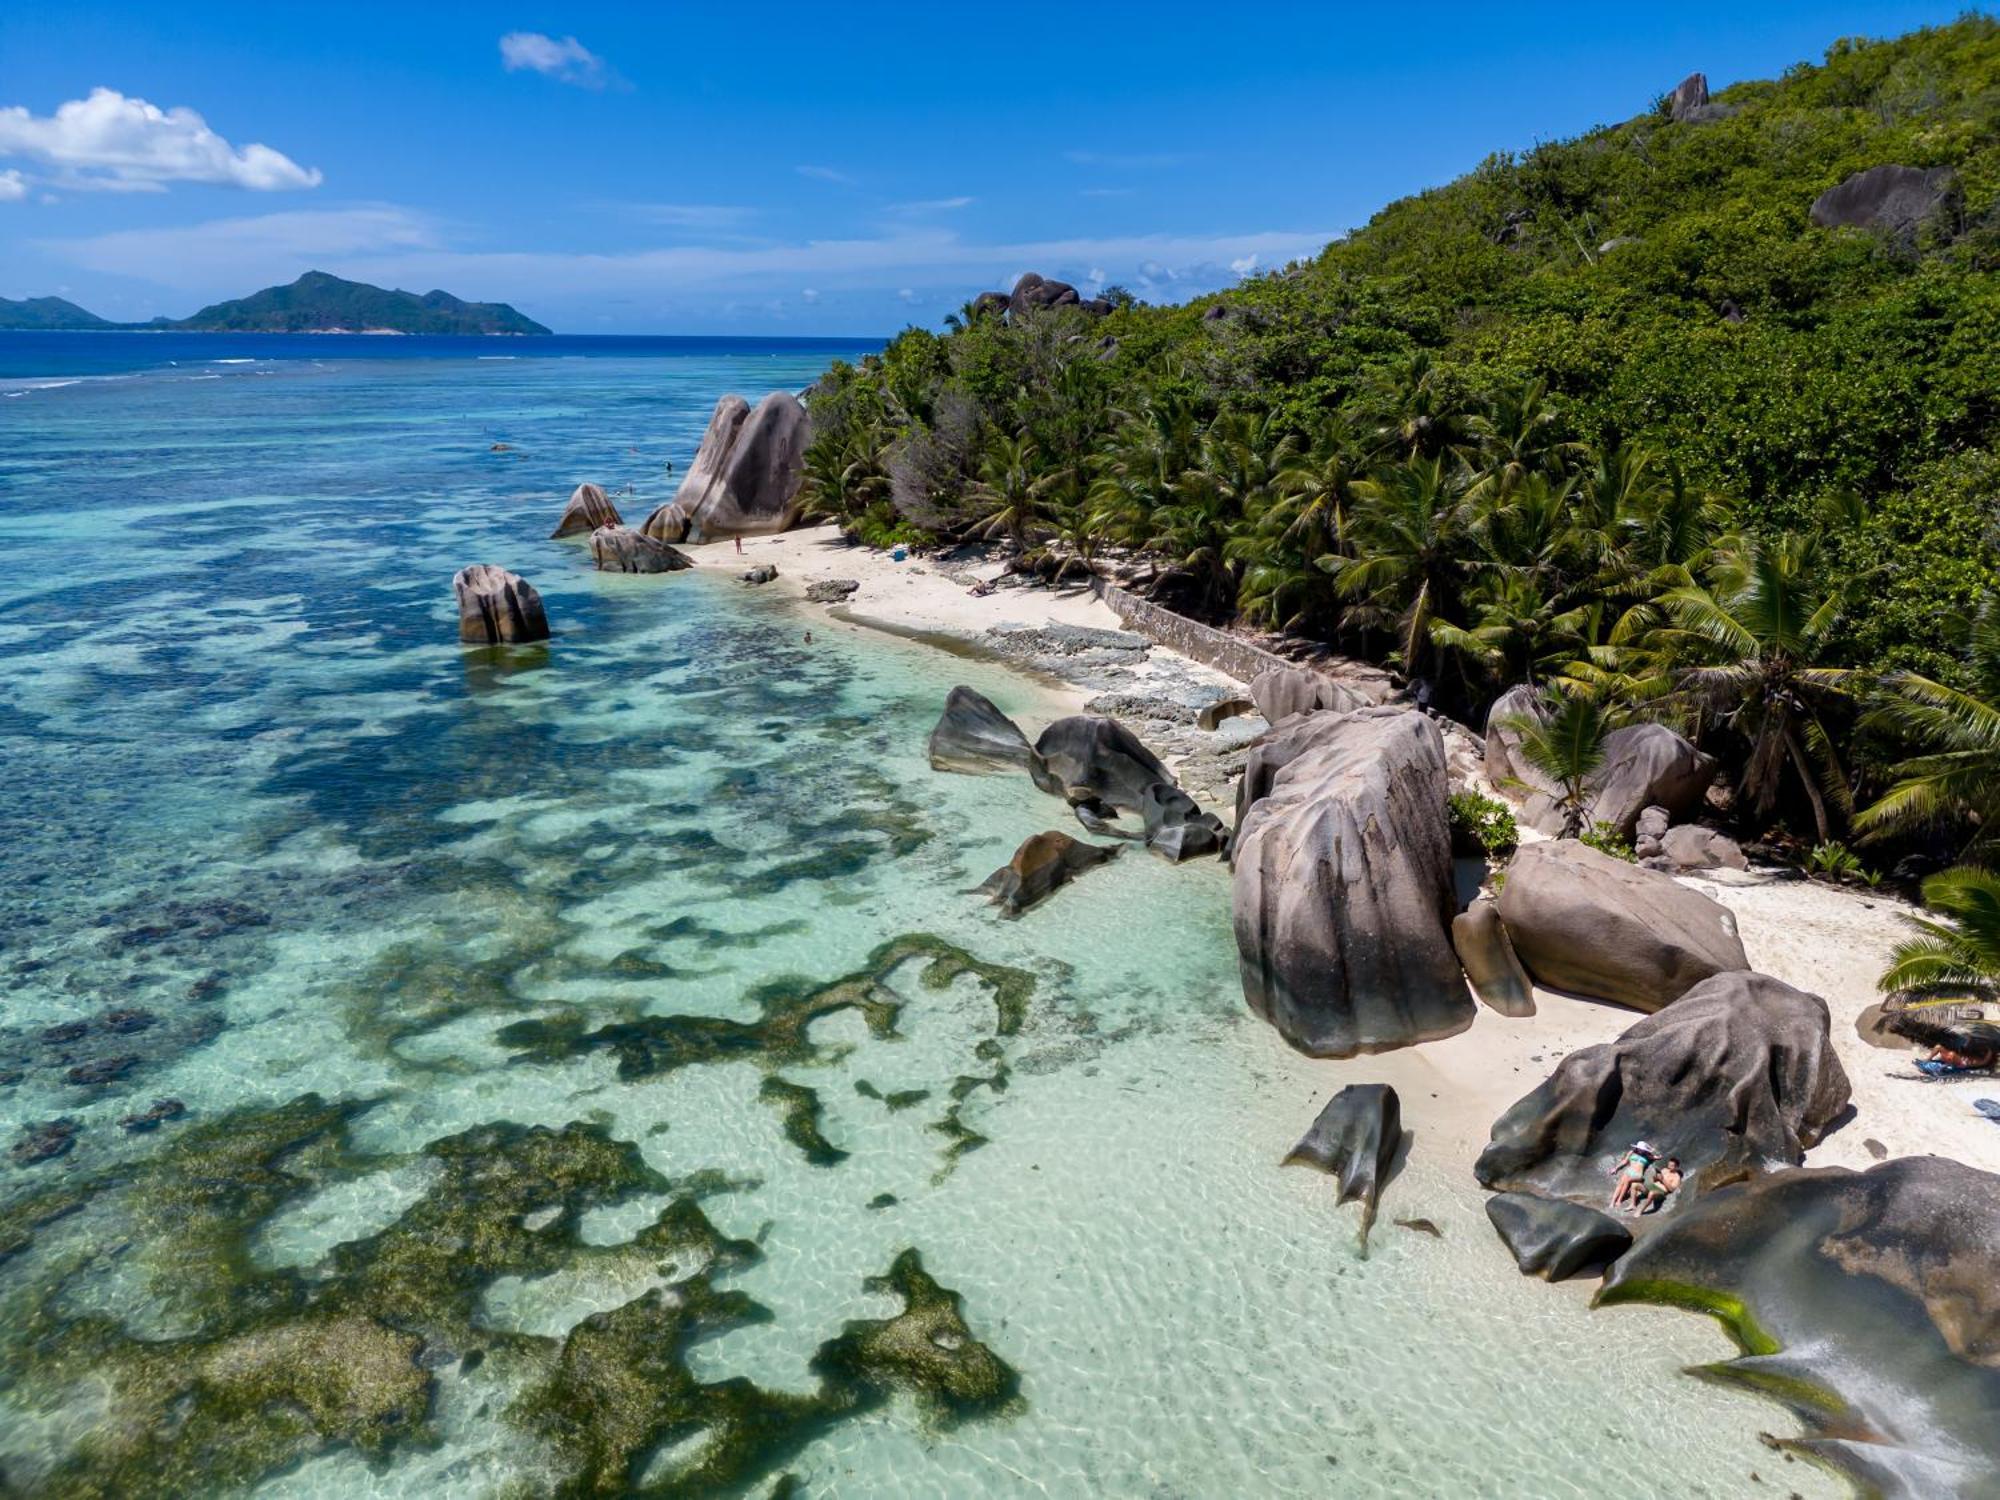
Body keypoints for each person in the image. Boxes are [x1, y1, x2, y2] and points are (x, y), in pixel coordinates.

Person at [1608, 1142, 1656, 1211]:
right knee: (1621, 1183)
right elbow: (1625, 1161)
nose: (1640, 1150)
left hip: (1638, 1174)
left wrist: (1651, 1150)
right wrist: (1616, 1168)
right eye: (1639, 1148)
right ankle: (1612, 1202)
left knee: (1627, 1180)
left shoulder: (1648, 1155)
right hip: (1629, 1171)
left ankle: (1619, 1200)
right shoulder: (1632, 1152)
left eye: (1642, 1149)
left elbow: (1657, 1156)